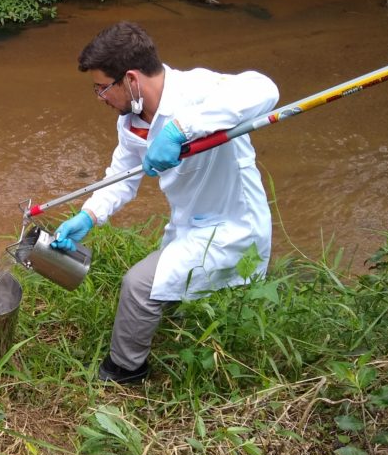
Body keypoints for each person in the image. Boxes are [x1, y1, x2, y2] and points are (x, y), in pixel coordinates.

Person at [50, 21, 279, 385]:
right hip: (188, 224)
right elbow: (121, 179)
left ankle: (124, 373)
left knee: (139, 285)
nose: (101, 98)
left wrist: (181, 129)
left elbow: (264, 89)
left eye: (102, 88)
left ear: (131, 79)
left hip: (233, 226)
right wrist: (87, 217)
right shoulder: (131, 122)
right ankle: (180, 337)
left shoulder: (198, 89)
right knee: (168, 291)